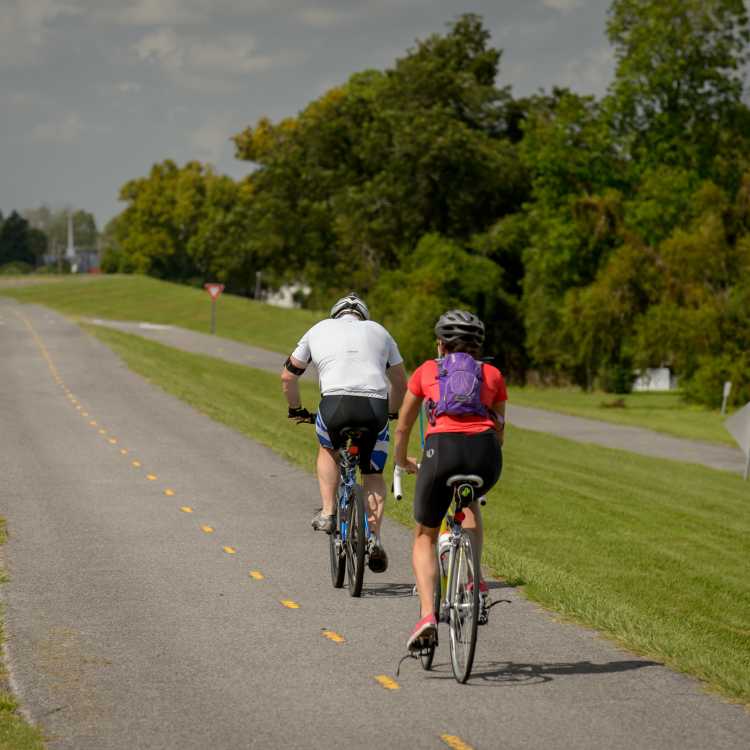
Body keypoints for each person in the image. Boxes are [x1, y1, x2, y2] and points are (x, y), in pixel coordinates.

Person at [393, 309, 506, 650]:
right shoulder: (494, 375)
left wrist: (401, 460)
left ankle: (428, 615)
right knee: (468, 500)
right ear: (477, 347)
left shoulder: (428, 371)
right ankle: (475, 581)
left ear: (440, 344)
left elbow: (404, 424)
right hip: (486, 457)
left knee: (425, 535)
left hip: (441, 452)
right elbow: (500, 432)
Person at [281, 292, 407, 572]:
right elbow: (400, 382)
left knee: (327, 447)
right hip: (374, 406)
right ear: (363, 316)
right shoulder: (380, 331)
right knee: (372, 473)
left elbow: (288, 376)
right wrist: (392, 413)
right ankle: (373, 537)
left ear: (335, 314)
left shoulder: (318, 329)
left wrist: (296, 409)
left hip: (335, 404)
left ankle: (327, 512)